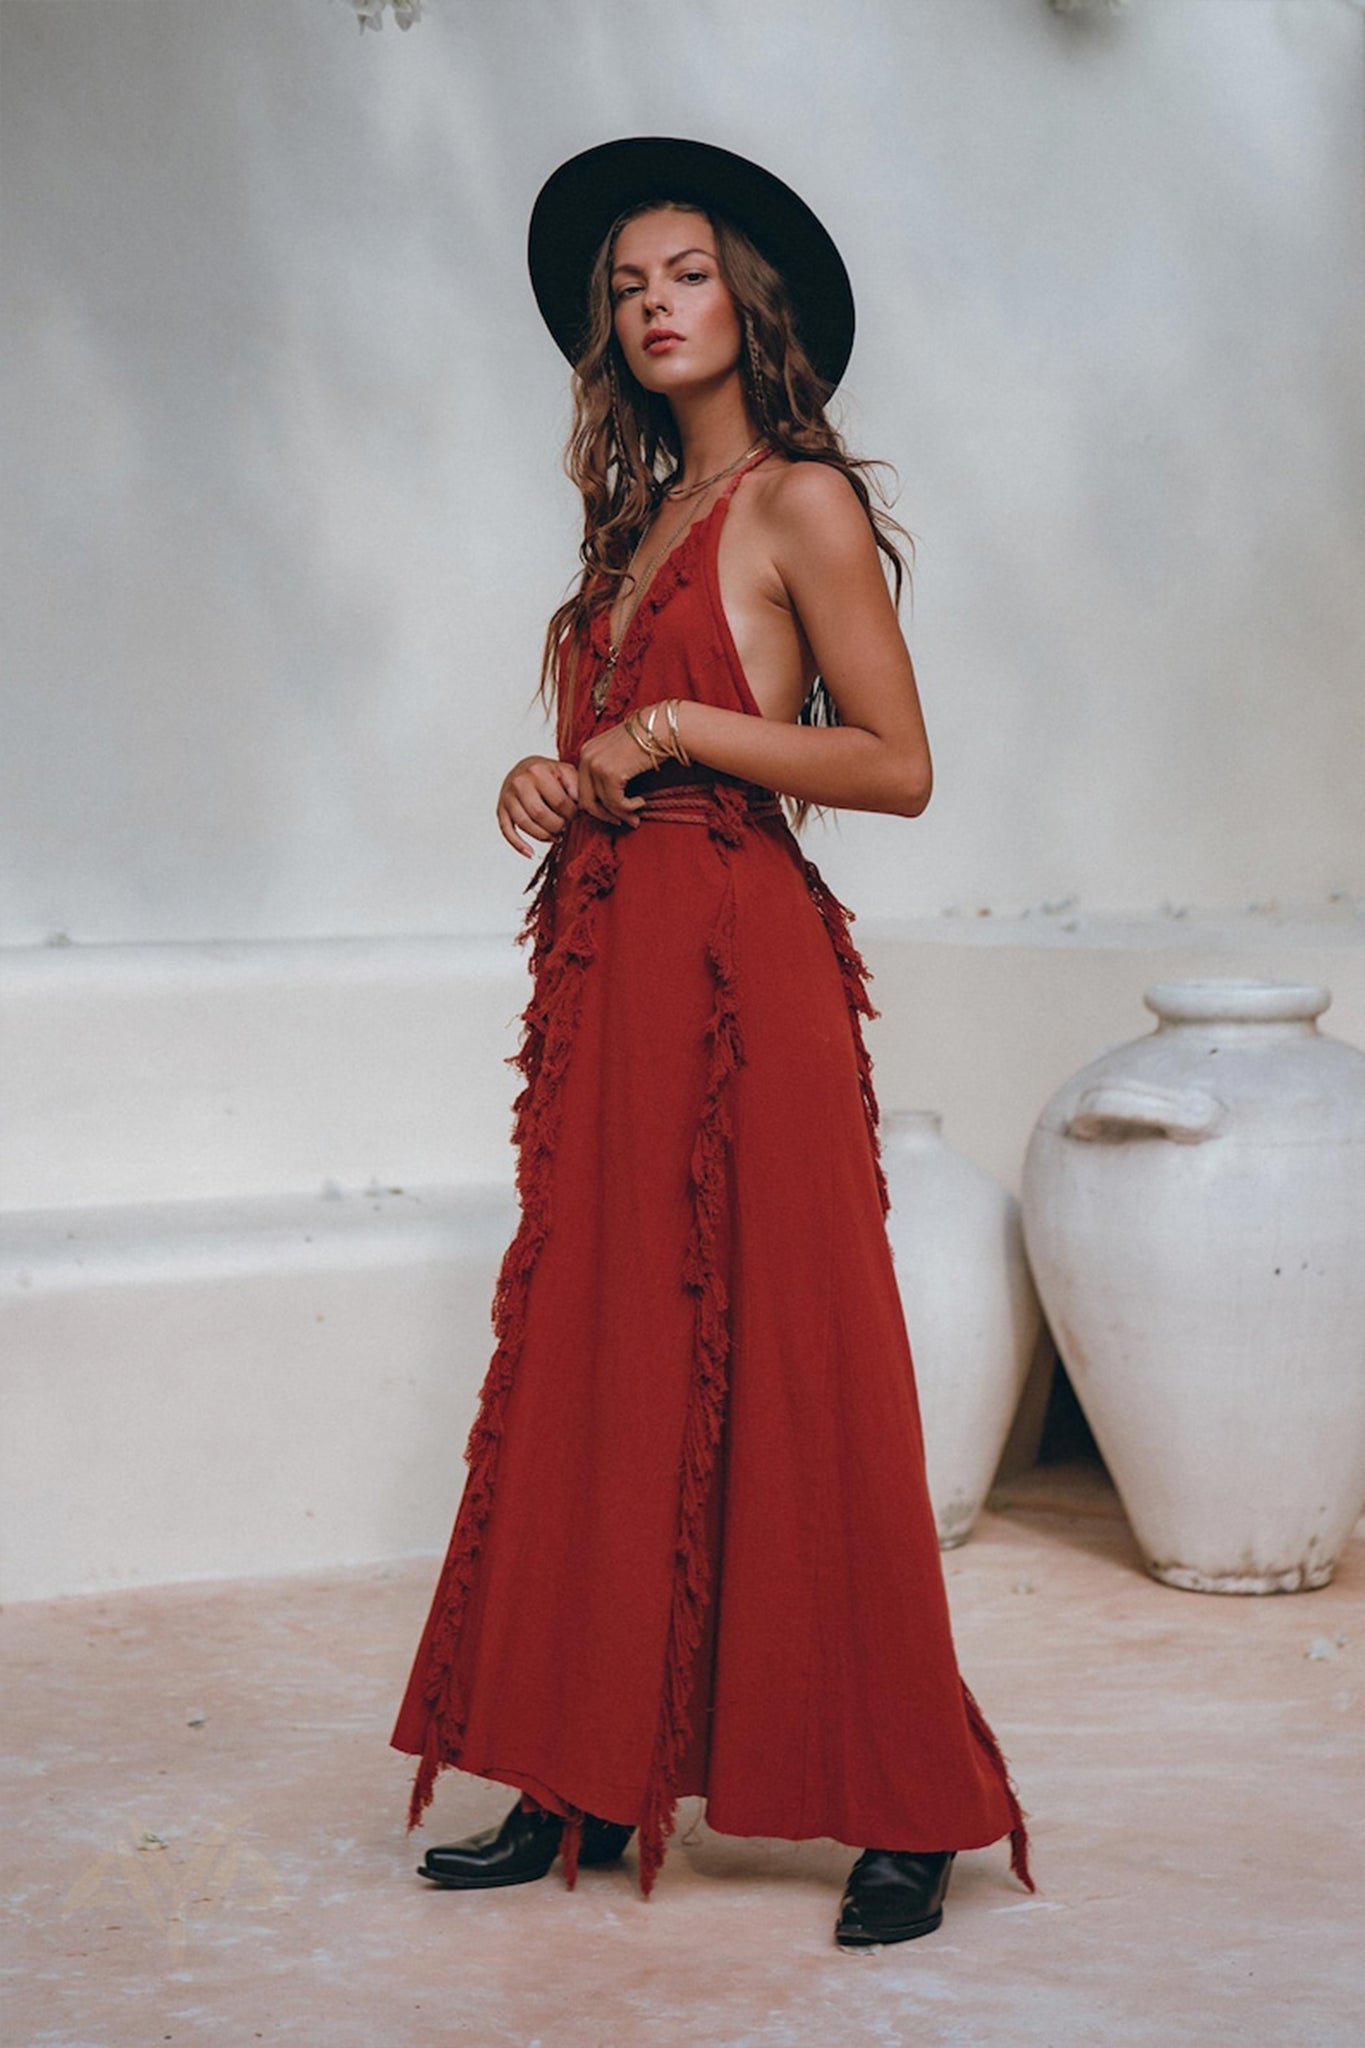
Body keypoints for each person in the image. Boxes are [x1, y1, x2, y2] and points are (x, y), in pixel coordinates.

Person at [389, 135, 1034, 1949]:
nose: (649, 305)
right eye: (622, 288)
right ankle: (577, 1765)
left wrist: (670, 719)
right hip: (609, 972)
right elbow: (614, 752)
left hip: (740, 972)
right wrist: (552, 766)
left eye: (678, 273)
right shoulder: (642, 521)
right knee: (600, 1345)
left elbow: (893, 768)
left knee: (801, 1352)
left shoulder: (798, 500)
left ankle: (906, 1803)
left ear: (746, 301)